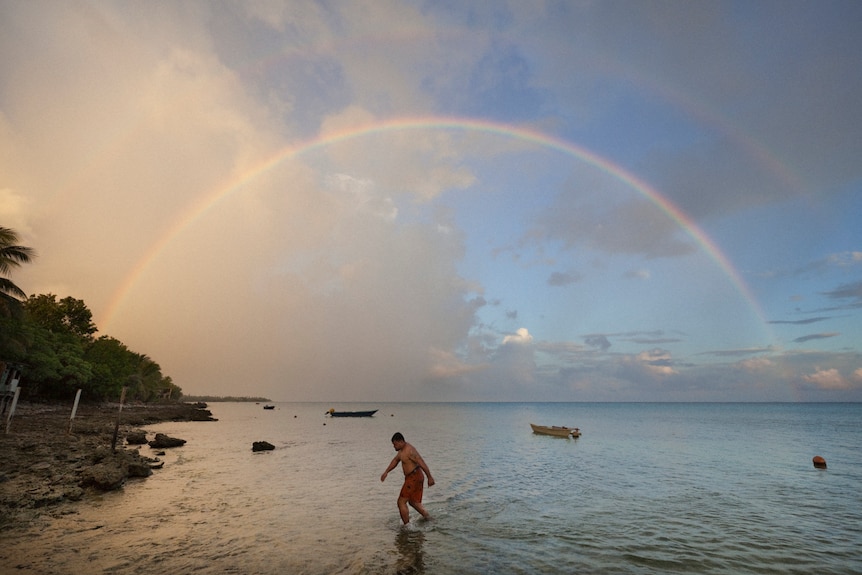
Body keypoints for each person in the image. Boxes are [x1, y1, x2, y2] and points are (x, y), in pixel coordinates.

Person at [380, 432, 435, 524]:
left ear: (401, 441)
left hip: (414, 477)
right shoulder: (401, 451)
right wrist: (386, 472)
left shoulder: (410, 450)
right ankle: (428, 518)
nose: (394, 447)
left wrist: (430, 477)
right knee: (413, 502)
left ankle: (406, 526)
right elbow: (395, 460)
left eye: (395, 444)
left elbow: (421, 462)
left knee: (401, 502)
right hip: (414, 477)